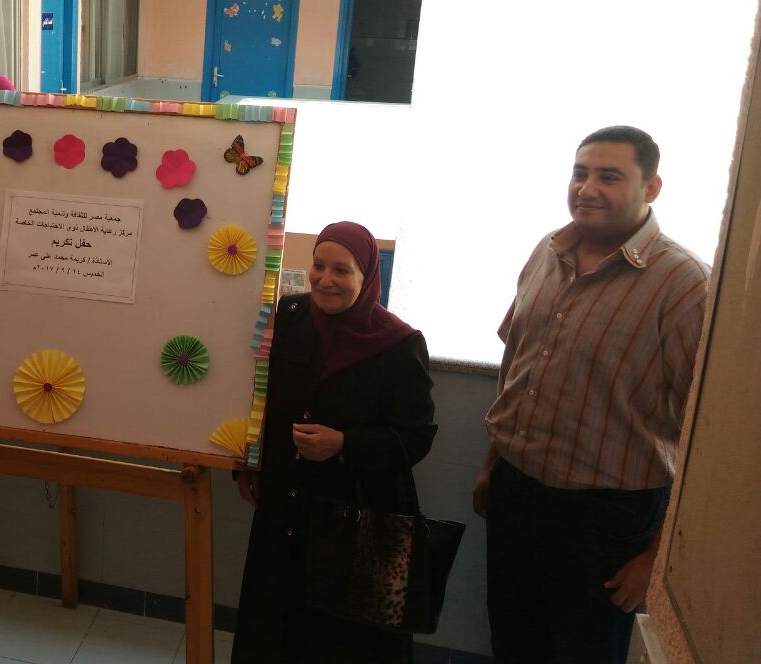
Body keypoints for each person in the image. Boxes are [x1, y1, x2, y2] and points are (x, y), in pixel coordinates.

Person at [474, 125, 710, 664]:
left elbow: (704, 440)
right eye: (580, 173)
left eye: (609, 176)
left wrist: (656, 560)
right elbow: (517, 370)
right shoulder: (547, 252)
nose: (587, 188)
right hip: (516, 494)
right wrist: (491, 464)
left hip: (608, 522)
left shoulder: (684, 285)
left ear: (651, 188)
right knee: (512, 642)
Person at [232, 222, 437, 664]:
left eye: (341, 270)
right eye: (318, 266)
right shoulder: (290, 317)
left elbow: (417, 437)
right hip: (285, 503)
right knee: (275, 623)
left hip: (354, 514)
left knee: (340, 641)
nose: (325, 279)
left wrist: (345, 445)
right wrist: (247, 463)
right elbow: (260, 396)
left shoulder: (399, 344)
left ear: (367, 277)